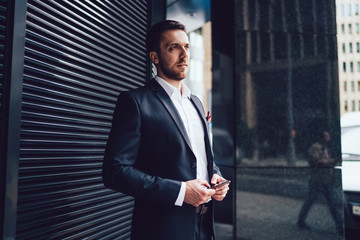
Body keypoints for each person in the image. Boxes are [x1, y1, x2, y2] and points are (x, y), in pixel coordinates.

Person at [102, 20, 229, 240]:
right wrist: (180, 192)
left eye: (187, 47)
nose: (184, 54)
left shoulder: (197, 103)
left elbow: (201, 158)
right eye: (174, 47)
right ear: (155, 57)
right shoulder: (135, 102)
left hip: (204, 226)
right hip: (161, 230)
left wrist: (216, 176)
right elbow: (115, 171)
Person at [297, 130, 343, 235]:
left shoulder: (325, 148)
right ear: (321, 137)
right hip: (318, 180)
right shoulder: (315, 148)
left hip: (326, 179)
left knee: (331, 203)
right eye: (327, 136)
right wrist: (331, 161)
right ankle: (340, 226)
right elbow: (316, 161)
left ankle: (340, 226)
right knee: (326, 203)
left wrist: (332, 162)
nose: (329, 138)